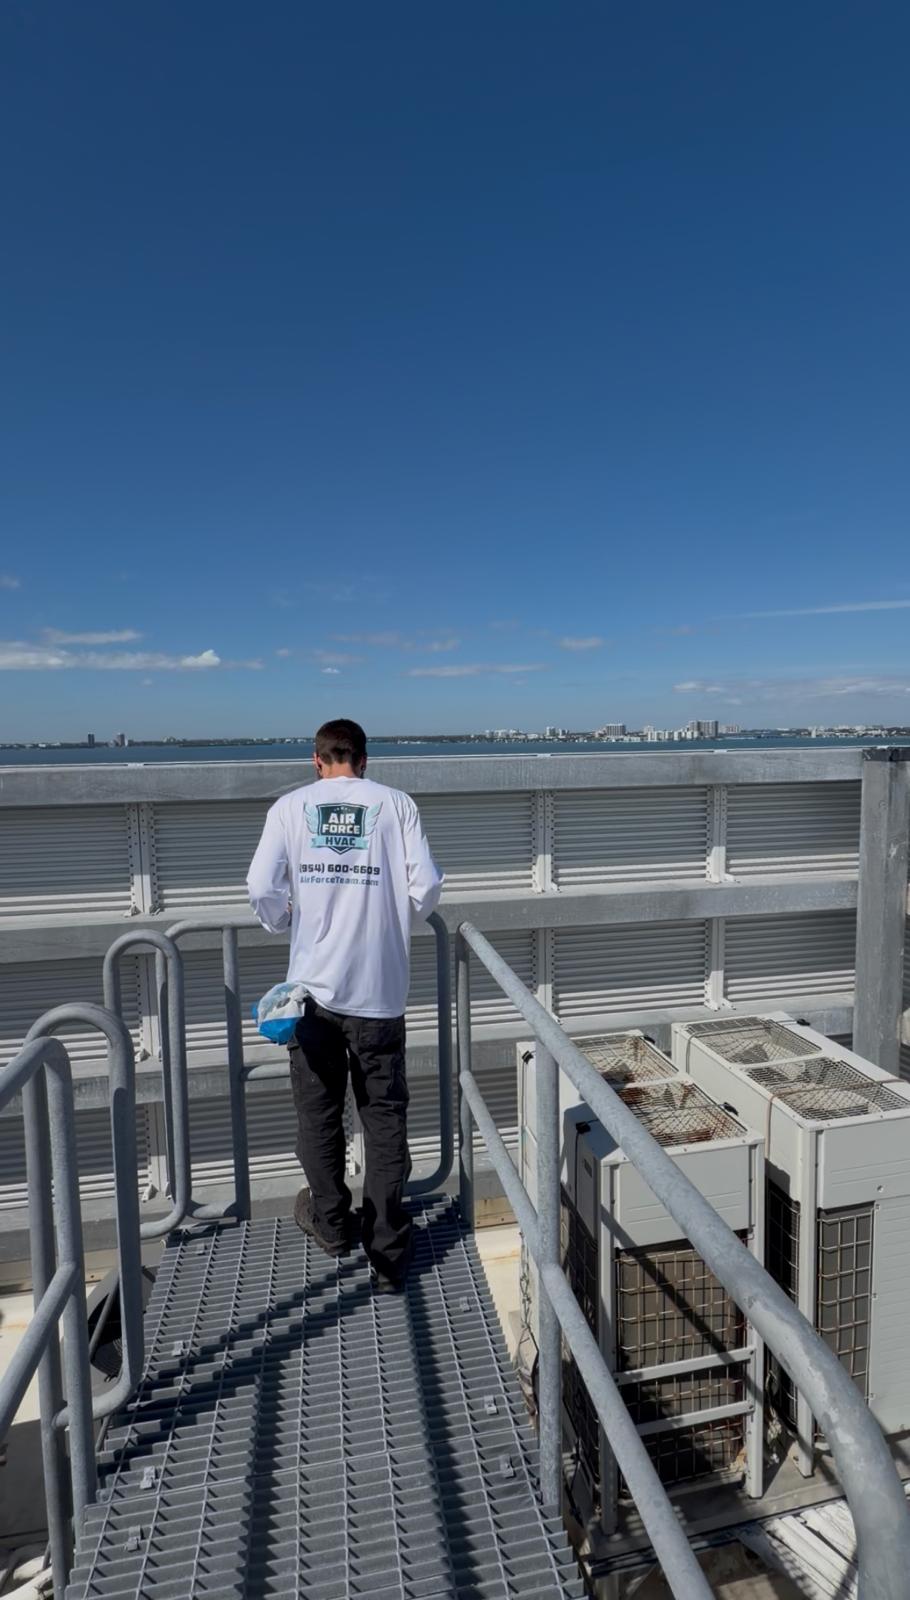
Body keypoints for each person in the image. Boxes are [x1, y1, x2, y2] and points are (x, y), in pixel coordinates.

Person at [246, 718, 443, 1291]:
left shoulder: (289, 808)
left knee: (319, 1112)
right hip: (380, 996)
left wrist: (282, 919)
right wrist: (391, 923)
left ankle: (331, 1224)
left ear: (317, 759)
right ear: (364, 758)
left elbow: (261, 886)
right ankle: (386, 1254)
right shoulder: (396, 805)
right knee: (383, 1119)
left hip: (311, 997)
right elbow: (425, 885)